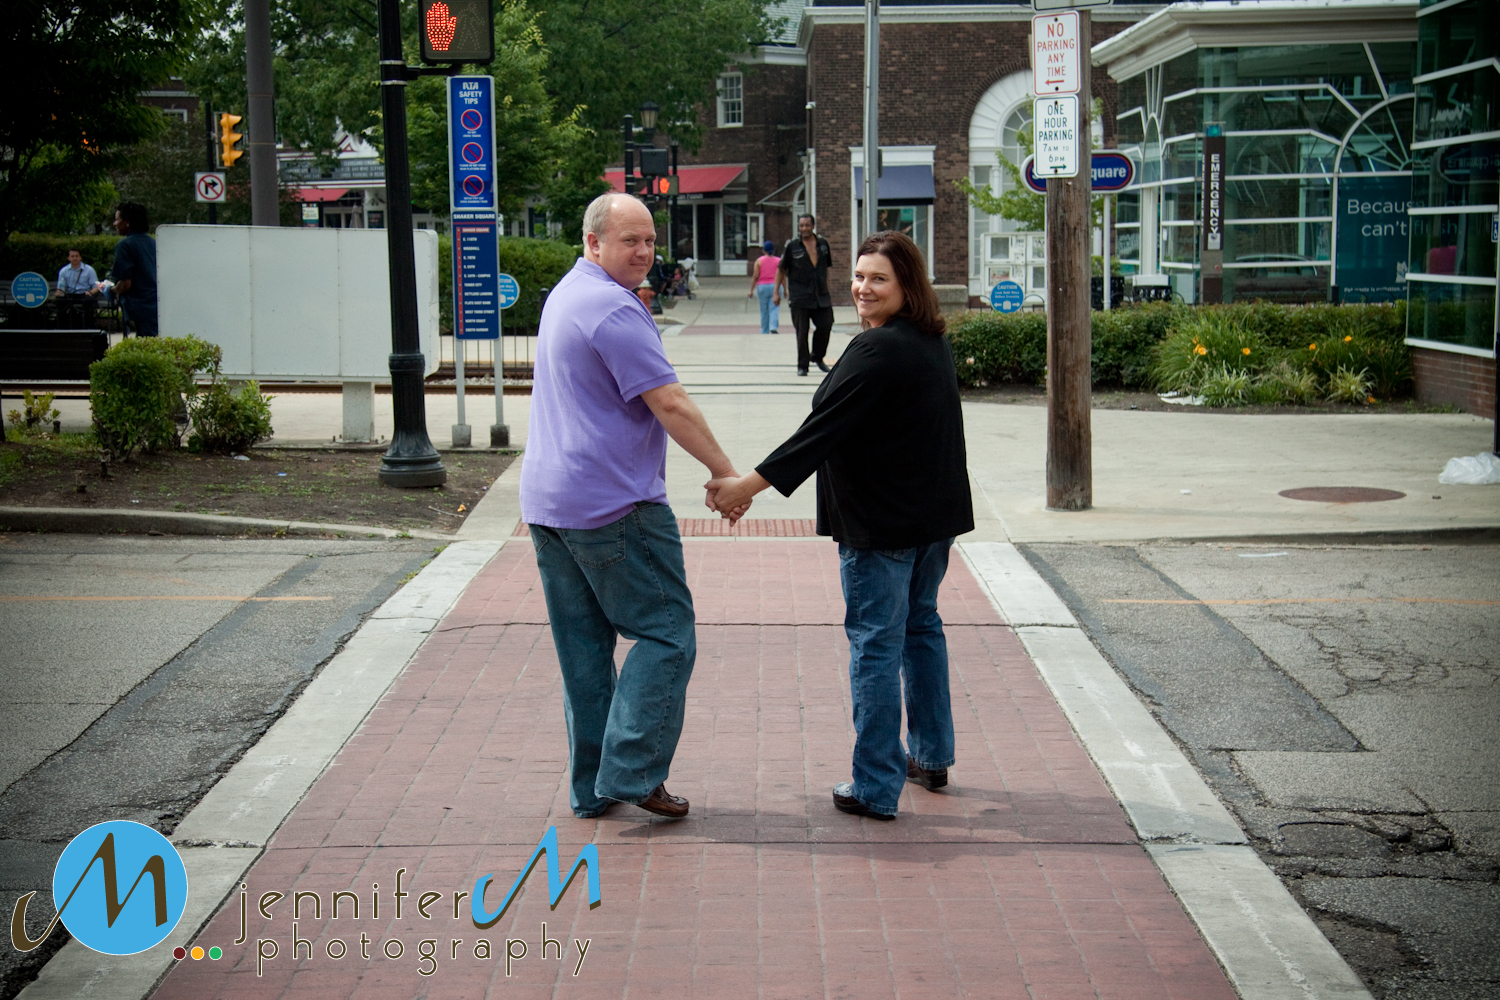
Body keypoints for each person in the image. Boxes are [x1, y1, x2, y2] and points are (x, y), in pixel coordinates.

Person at [705, 230, 973, 820]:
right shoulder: (928, 341)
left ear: (907, 285)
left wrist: (746, 487)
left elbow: (820, 432)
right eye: (857, 276)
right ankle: (931, 756)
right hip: (933, 520)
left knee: (876, 644)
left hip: (883, 528)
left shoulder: (876, 350)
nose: (862, 288)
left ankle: (875, 787)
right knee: (920, 629)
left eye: (878, 278)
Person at [520, 192, 749, 821]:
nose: (645, 252)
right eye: (629, 241)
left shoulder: (567, 294)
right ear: (594, 242)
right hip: (613, 503)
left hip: (549, 502)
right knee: (667, 634)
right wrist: (726, 473)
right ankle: (632, 772)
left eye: (649, 240)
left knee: (584, 650)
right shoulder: (611, 309)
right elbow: (669, 401)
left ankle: (592, 790)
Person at [775, 214, 833, 375]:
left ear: (813, 226)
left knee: (826, 324)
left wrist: (826, 288)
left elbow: (826, 268)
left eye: (807, 225)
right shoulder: (792, 246)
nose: (804, 229)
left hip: (820, 294)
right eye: (801, 226)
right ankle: (802, 366)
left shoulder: (823, 245)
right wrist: (776, 292)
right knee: (802, 333)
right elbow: (781, 269)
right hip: (800, 295)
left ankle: (817, 356)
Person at [111, 202, 158, 337]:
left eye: (117, 219)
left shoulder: (125, 245)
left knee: (145, 346)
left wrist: (112, 290)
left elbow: (126, 283)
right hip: (157, 305)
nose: (114, 224)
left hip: (140, 306)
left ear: (127, 222)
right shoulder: (153, 242)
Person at [747, 239, 781, 335]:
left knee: (764, 309)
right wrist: (785, 289)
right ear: (773, 250)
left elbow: (755, 276)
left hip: (762, 287)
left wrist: (751, 290)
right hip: (775, 286)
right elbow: (781, 277)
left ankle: (764, 330)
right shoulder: (778, 261)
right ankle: (773, 326)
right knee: (774, 308)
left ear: (763, 250)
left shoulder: (759, 261)